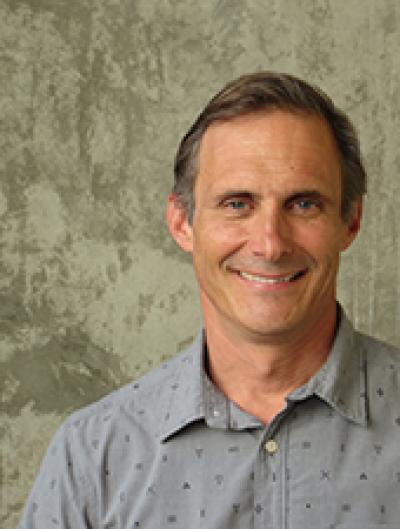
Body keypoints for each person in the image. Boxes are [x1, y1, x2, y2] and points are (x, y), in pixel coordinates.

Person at [19, 72, 400, 529]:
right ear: (182, 223)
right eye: (237, 203)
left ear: (351, 221)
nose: (270, 245)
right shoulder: (92, 457)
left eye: (303, 204)